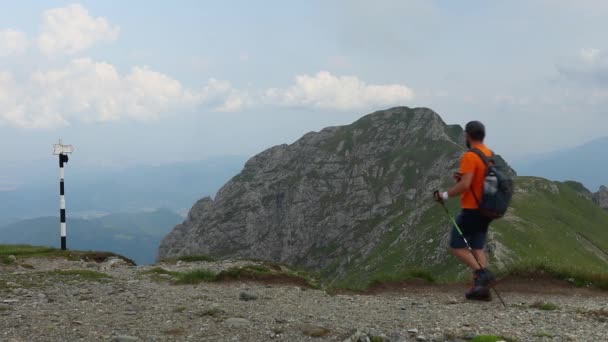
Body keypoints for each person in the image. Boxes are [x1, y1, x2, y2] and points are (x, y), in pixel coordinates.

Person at [434, 121, 495, 301]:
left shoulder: (470, 156)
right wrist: (463, 178)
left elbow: (466, 185)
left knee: (456, 246)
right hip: (486, 209)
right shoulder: (488, 154)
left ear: (467, 135)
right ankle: (481, 290)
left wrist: (444, 195)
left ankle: (483, 274)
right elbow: (480, 180)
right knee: (477, 247)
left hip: (472, 209)